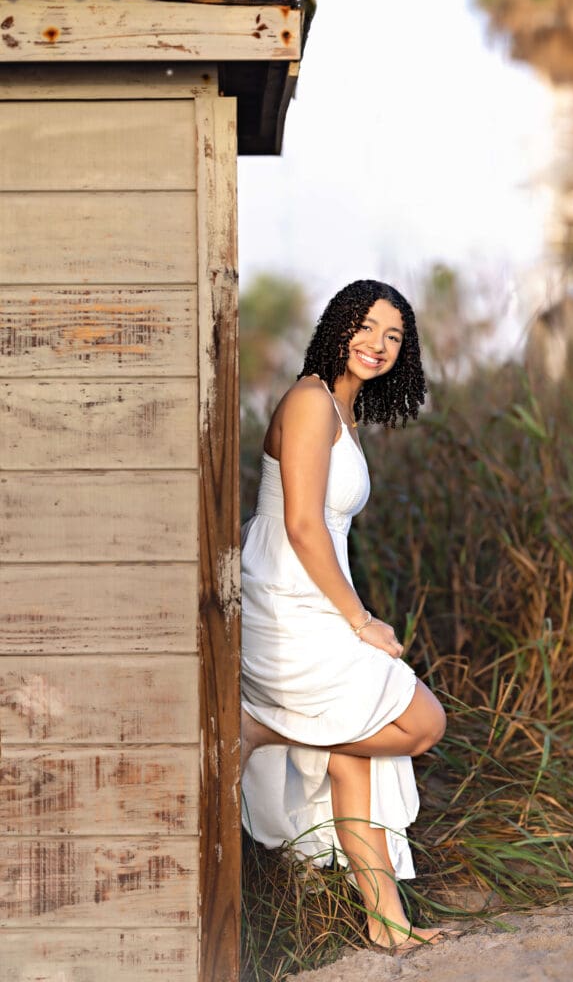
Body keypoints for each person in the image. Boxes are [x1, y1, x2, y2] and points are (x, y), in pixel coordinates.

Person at [240, 279, 447, 953]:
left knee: (350, 752)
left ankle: (386, 923)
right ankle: (261, 729)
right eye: (367, 326)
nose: (378, 344)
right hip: (287, 596)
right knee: (421, 724)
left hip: (316, 596)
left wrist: (348, 613)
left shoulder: (341, 411)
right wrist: (360, 621)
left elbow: (324, 533)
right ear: (338, 325)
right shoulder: (307, 400)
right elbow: (301, 524)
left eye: (394, 336)